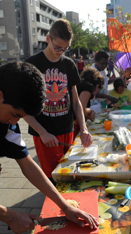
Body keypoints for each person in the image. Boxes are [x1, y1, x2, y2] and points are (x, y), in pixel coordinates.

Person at [0, 62, 98, 234]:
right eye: (15, 115)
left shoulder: (1, 113)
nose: (14, 122)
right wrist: (9, 216)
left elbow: (28, 165)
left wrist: (65, 206)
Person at [24, 19, 93, 184]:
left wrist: (83, 129)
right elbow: (22, 107)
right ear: (48, 39)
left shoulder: (69, 65)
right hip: (45, 133)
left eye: (65, 48)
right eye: (57, 47)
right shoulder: (31, 64)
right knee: (54, 178)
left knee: (69, 173)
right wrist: (42, 132)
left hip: (67, 129)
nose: (61, 51)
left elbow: (75, 102)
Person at [74, 67, 104, 137]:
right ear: (97, 86)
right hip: (72, 125)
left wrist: (87, 116)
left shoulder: (80, 84)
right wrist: (90, 111)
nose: (96, 94)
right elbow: (80, 110)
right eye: (98, 91)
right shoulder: (88, 87)